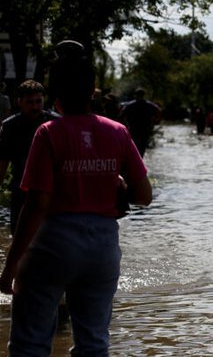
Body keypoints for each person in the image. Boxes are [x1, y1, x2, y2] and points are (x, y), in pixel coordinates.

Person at [0, 40, 152, 355]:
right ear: (93, 90)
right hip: (103, 246)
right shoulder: (117, 131)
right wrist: (118, 184)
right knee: (94, 343)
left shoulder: (48, 133)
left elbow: (37, 204)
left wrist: (11, 265)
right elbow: (144, 196)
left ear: (54, 95)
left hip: (54, 242)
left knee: (30, 343)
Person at [0, 80, 60, 234]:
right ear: (19, 102)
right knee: (19, 236)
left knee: (52, 238)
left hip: (52, 191)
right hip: (21, 190)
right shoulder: (10, 126)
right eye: (30, 102)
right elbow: (3, 160)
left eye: (38, 101)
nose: (35, 107)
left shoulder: (56, 123)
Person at [119, 87, 161, 156]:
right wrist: (156, 122)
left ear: (135, 95)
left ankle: (136, 163)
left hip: (134, 130)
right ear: (144, 95)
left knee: (134, 149)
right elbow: (158, 111)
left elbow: (121, 116)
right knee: (142, 149)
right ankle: (140, 163)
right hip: (145, 130)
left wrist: (124, 126)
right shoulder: (149, 105)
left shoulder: (130, 105)